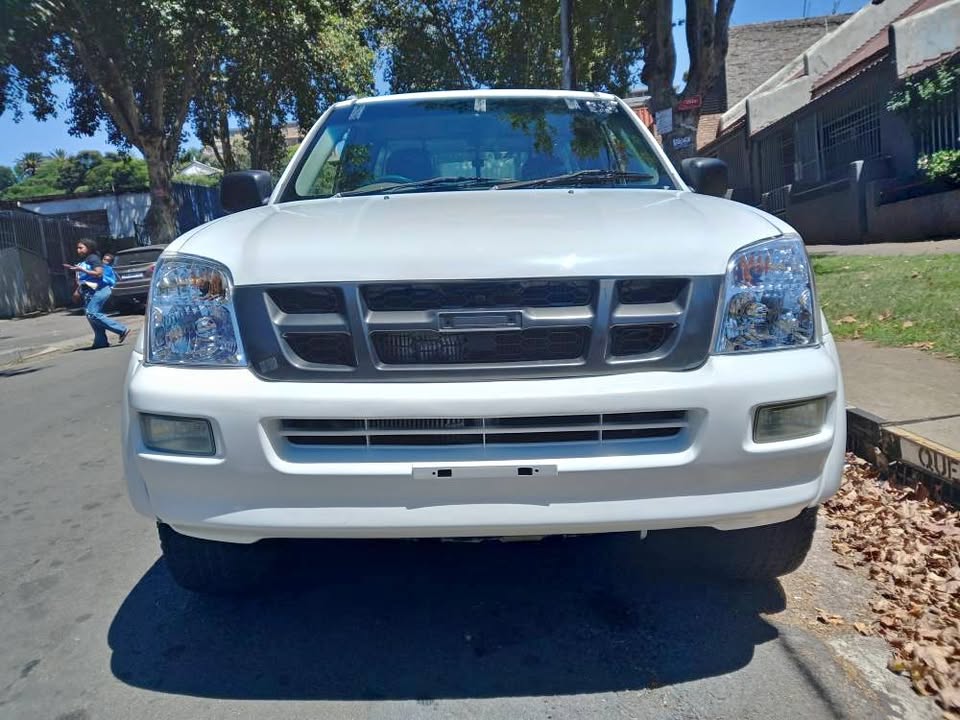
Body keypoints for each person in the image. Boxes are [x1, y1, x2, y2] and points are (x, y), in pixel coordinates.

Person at [64, 240, 129, 349]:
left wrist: (81, 269)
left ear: (88, 248)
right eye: (78, 248)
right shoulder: (86, 260)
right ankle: (101, 342)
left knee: (92, 313)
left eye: (81, 248)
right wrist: (77, 291)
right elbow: (84, 280)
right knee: (91, 316)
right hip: (90, 291)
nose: (78, 250)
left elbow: (99, 274)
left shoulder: (93, 258)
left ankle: (122, 329)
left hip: (101, 289)